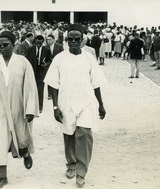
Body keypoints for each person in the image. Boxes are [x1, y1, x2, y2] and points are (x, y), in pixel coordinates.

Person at [44, 24, 106, 187]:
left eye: (76, 39)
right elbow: (53, 84)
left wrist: (101, 105)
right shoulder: (59, 58)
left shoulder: (89, 58)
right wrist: (56, 107)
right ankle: (71, 164)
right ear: (66, 40)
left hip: (86, 103)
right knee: (69, 134)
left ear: (82, 40)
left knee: (84, 134)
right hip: (66, 102)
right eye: (69, 39)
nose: (73, 41)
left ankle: (81, 171)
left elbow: (96, 83)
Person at [0, 31, 39, 189]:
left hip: (18, 105)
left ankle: (24, 152)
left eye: (5, 45)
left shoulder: (22, 62)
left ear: (13, 45)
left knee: (21, 135)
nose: (1, 48)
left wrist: (31, 108)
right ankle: (1, 176)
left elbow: (31, 86)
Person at [26, 35, 51, 113]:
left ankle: (40, 106)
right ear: (35, 42)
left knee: (40, 90)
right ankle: (32, 106)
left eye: (40, 43)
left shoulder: (46, 50)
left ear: (43, 42)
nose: (38, 45)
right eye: (37, 43)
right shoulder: (30, 49)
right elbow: (26, 59)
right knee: (31, 90)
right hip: (32, 71)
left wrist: (46, 64)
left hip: (41, 72)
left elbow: (49, 60)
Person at [45, 34, 64, 100]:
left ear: (53, 40)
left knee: (58, 79)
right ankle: (50, 94)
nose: (48, 41)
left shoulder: (59, 46)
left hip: (58, 65)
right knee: (50, 79)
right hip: (49, 65)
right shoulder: (46, 47)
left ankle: (57, 93)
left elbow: (63, 56)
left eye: (50, 40)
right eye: (47, 40)